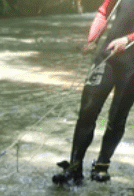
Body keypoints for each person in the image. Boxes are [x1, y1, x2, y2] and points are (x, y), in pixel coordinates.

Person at [53, 0, 134, 185]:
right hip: (107, 56)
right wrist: (92, 39)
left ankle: (102, 164)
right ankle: (74, 167)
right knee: (87, 111)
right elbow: (103, 12)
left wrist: (128, 39)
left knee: (116, 117)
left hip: (132, 65)